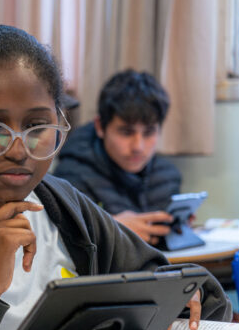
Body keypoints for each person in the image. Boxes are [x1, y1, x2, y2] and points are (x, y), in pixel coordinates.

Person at [0, 25, 230, 330]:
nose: (19, 150)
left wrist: (186, 292)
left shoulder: (63, 204)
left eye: (38, 128)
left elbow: (163, 277)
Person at [53, 69, 181, 244]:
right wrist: (110, 228)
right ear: (100, 127)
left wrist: (178, 227)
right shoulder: (71, 176)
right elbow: (60, 240)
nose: (138, 147)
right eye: (126, 132)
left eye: (149, 132)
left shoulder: (168, 176)